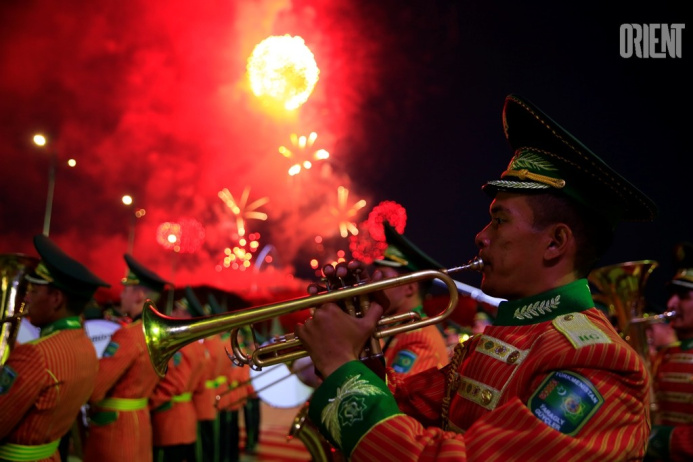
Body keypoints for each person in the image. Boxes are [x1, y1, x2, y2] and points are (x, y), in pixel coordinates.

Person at [295, 94, 656, 460]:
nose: (481, 236)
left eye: (499, 221)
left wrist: (341, 363)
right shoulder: (500, 338)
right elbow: (407, 408)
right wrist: (359, 345)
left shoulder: (595, 359)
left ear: (555, 243)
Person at [0, 234, 109, 461]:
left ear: (56, 299)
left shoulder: (34, 356)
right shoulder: (84, 345)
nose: (27, 299)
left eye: (34, 292)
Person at [82, 253, 169, 462]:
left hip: (115, 431)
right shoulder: (158, 335)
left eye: (127, 290)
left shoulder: (128, 335)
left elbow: (94, 390)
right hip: (140, 423)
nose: (121, 296)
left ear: (139, 295)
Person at [374, 222, 450, 377]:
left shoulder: (420, 338)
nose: (372, 283)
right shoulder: (402, 330)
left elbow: (389, 398)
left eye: (382, 276)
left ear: (409, 288)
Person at [646, 242, 693, 461]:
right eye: (672, 293)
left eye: (684, 296)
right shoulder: (666, 354)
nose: (671, 303)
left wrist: (661, 439)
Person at [150, 295, 207, 462]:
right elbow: (201, 385)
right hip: (187, 416)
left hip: (169, 419)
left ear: (187, 317)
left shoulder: (179, 347)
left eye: (178, 310)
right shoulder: (198, 346)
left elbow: (171, 386)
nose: (173, 312)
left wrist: (147, 403)